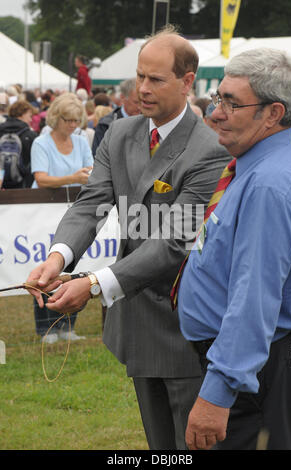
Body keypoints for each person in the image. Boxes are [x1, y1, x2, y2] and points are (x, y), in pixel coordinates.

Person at [26, 25, 230, 449]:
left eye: (155, 79)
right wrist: (59, 257)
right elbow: (91, 203)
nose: (142, 88)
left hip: (187, 330)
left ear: (187, 81)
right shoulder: (119, 134)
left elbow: (174, 240)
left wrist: (96, 284)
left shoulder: (210, 148)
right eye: (139, 76)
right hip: (137, 326)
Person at [177, 47, 291, 450]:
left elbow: (255, 298)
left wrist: (219, 391)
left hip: (258, 374)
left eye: (232, 103)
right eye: (217, 98)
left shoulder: (269, 184)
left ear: (273, 113)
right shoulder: (255, 168)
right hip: (253, 365)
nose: (214, 114)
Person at [30, 92, 93, 344]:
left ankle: (68, 325)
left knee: (72, 268)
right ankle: (45, 327)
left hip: (74, 213)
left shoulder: (80, 142)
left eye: (76, 120)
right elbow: (41, 178)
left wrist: (82, 178)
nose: (72, 125)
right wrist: (72, 179)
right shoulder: (41, 143)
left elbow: (90, 171)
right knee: (45, 270)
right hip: (44, 213)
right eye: (68, 119)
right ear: (56, 117)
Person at [91, 78, 140, 156]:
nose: (140, 107)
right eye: (136, 102)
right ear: (122, 97)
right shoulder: (105, 125)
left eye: (143, 102)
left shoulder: (150, 122)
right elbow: (97, 157)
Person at [0, 99, 37, 188]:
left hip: (2, 184)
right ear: (22, 114)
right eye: (29, 116)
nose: (31, 119)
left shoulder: (1, 130)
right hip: (22, 185)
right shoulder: (31, 135)